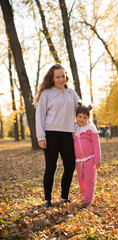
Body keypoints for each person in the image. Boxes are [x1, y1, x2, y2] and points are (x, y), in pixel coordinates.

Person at [34, 63, 80, 208]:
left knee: (70, 166)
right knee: (51, 167)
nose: (61, 79)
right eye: (58, 77)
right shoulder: (47, 93)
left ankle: (64, 197)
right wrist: (41, 137)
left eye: (63, 76)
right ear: (52, 78)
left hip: (67, 135)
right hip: (51, 134)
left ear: (66, 77)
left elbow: (80, 110)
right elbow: (40, 115)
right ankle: (47, 199)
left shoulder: (71, 93)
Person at [73, 103, 101, 208]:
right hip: (78, 160)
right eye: (79, 116)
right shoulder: (73, 128)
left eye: (84, 117)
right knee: (81, 180)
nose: (81, 119)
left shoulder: (90, 128)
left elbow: (96, 144)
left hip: (91, 158)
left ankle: (88, 200)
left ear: (88, 119)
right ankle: (86, 196)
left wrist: (97, 159)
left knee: (89, 179)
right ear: (76, 116)